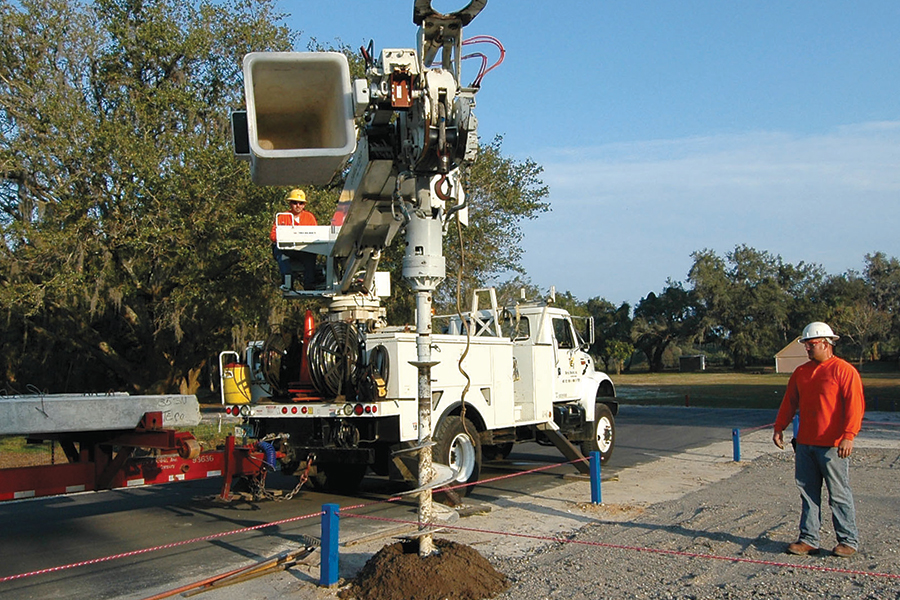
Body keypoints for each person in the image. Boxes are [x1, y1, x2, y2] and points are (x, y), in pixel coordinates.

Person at [773, 321, 865, 558]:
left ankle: (847, 540)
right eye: (806, 345)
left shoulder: (844, 371)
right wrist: (779, 427)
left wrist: (848, 435)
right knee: (808, 493)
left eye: (811, 344)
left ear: (827, 344)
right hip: (805, 444)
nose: (807, 349)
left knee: (839, 493)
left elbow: (855, 406)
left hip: (833, 446)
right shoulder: (801, 373)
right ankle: (808, 539)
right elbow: (790, 401)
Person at [270, 189, 317, 291]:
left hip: (303, 249)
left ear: (304, 205)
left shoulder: (309, 217)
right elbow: (273, 235)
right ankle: (287, 283)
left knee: (311, 255)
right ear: (290, 204)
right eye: (295, 203)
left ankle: (309, 284)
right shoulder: (282, 217)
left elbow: (315, 234)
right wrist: (284, 237)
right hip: (286, 249)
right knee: (282, 257)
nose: (298, 205)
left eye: (301, 203)